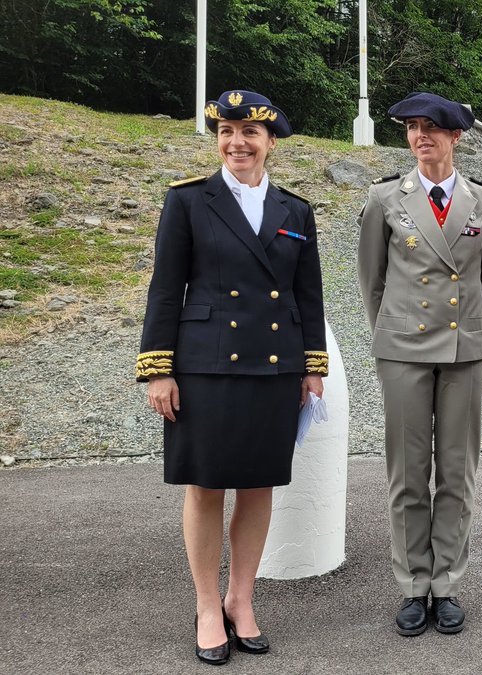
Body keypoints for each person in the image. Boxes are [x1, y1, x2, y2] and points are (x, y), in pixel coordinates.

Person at [137, 89, 327, 665]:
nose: (237, 142)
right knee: (206, 486)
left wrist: (312, 366)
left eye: (249, 133)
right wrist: (157, 368)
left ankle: (241, 599)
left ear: (271, 142)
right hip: (206, 365)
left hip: (274, 367)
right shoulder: (190, 201)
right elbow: (166, 289)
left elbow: (307, 294)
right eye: (226, 131)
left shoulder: (295, 211)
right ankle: (204, 605)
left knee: (258, 484)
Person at [357, 92, 482, 637]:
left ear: (456, 136)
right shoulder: (384, 199)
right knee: (408, 471)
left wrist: (468, 326)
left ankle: (447, 583)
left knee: (458, 472)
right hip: (402, 348)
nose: (422, 137)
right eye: (414, 128)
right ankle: (413, 584)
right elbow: (372, 279)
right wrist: (392, 330)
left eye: (433, 128)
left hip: (464, 346)